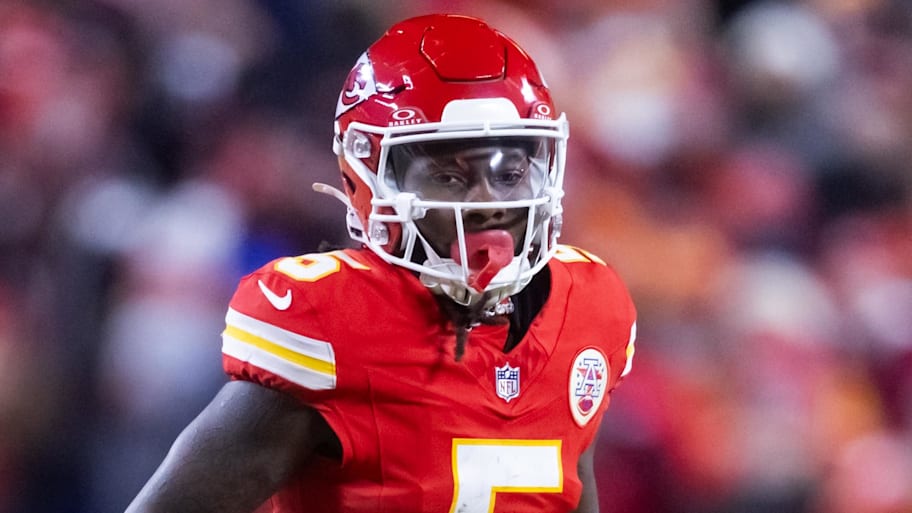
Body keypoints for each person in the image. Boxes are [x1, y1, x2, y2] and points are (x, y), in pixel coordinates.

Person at [125, 13, 637, 513]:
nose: (490, 203)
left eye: (510, 174)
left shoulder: (587, 309)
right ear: (367, 180)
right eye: (450, 177)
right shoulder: (337, 327)